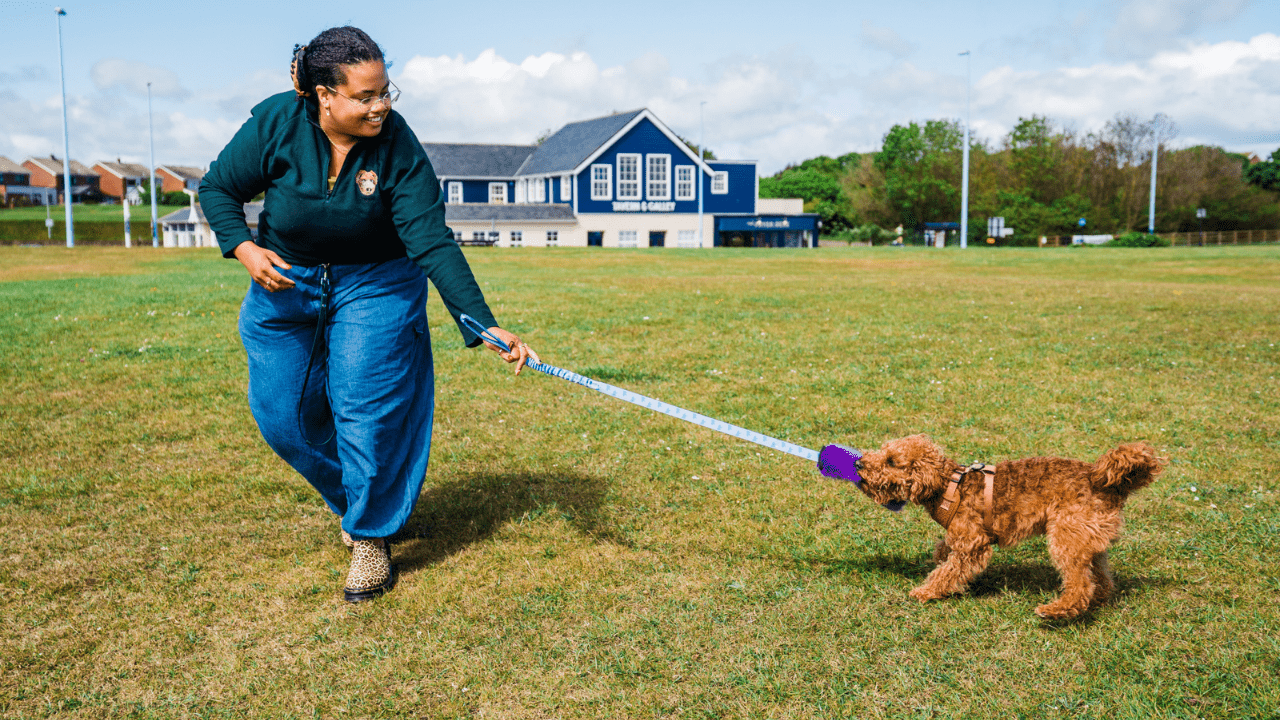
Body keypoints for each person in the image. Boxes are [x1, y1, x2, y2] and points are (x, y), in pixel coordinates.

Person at [200, 26, 537, 603]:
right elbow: (217, 189)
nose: (381, 106)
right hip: (286, 282)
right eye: (365, 96)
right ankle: (366, 500)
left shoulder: (397, 143)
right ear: (324, 95)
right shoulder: (277, 122)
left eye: (386, 91)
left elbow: (430, 238)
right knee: (282, 418)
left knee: (366, 411)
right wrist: (245, 248)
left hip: (377, 283)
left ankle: (370, 534)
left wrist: (481, 321)